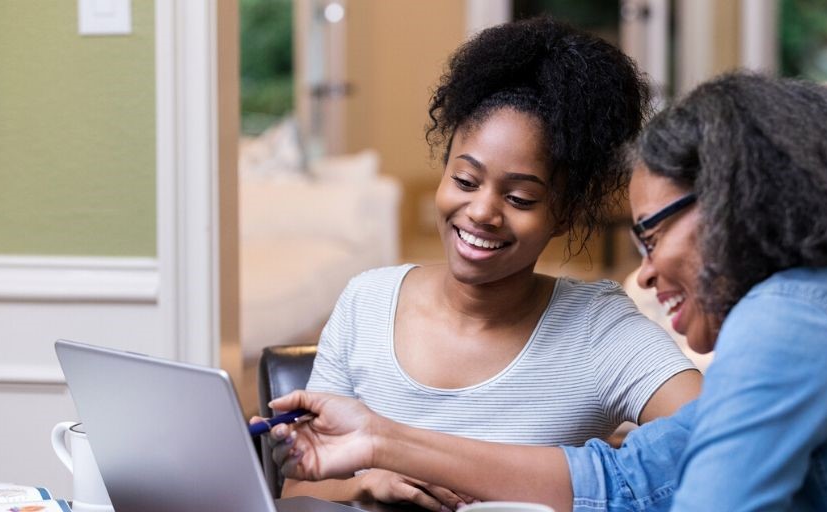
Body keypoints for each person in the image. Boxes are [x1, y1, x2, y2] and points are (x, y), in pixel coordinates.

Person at [264, 73, 827, 511]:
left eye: (652, 235)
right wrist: (380, 441)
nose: (645, 273)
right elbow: (626, 480)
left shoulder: (791, 321)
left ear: (730, 205)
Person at [276, 17, 702, 510]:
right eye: (464, 180)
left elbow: (716, 437)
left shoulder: (597, 328)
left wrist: (618, 464)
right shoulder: (365, 303)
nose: (482, 212)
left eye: (520, 198)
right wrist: (364, 485)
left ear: (563, 214)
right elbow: (297, 491)